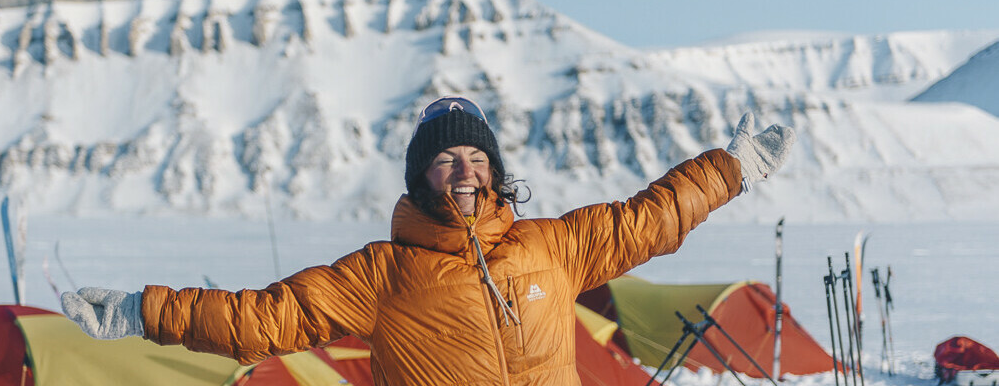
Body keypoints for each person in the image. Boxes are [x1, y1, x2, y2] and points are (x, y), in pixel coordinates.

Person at [62, 95, 795, 385]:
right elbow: (264, 319)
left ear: (496, 172)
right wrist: (141, 311)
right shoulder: (383, 272)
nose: (465, 170)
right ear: (420, 178)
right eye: (447, 159)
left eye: (476, 159)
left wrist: (730, 168)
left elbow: (649, 220)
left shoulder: (551, 245)